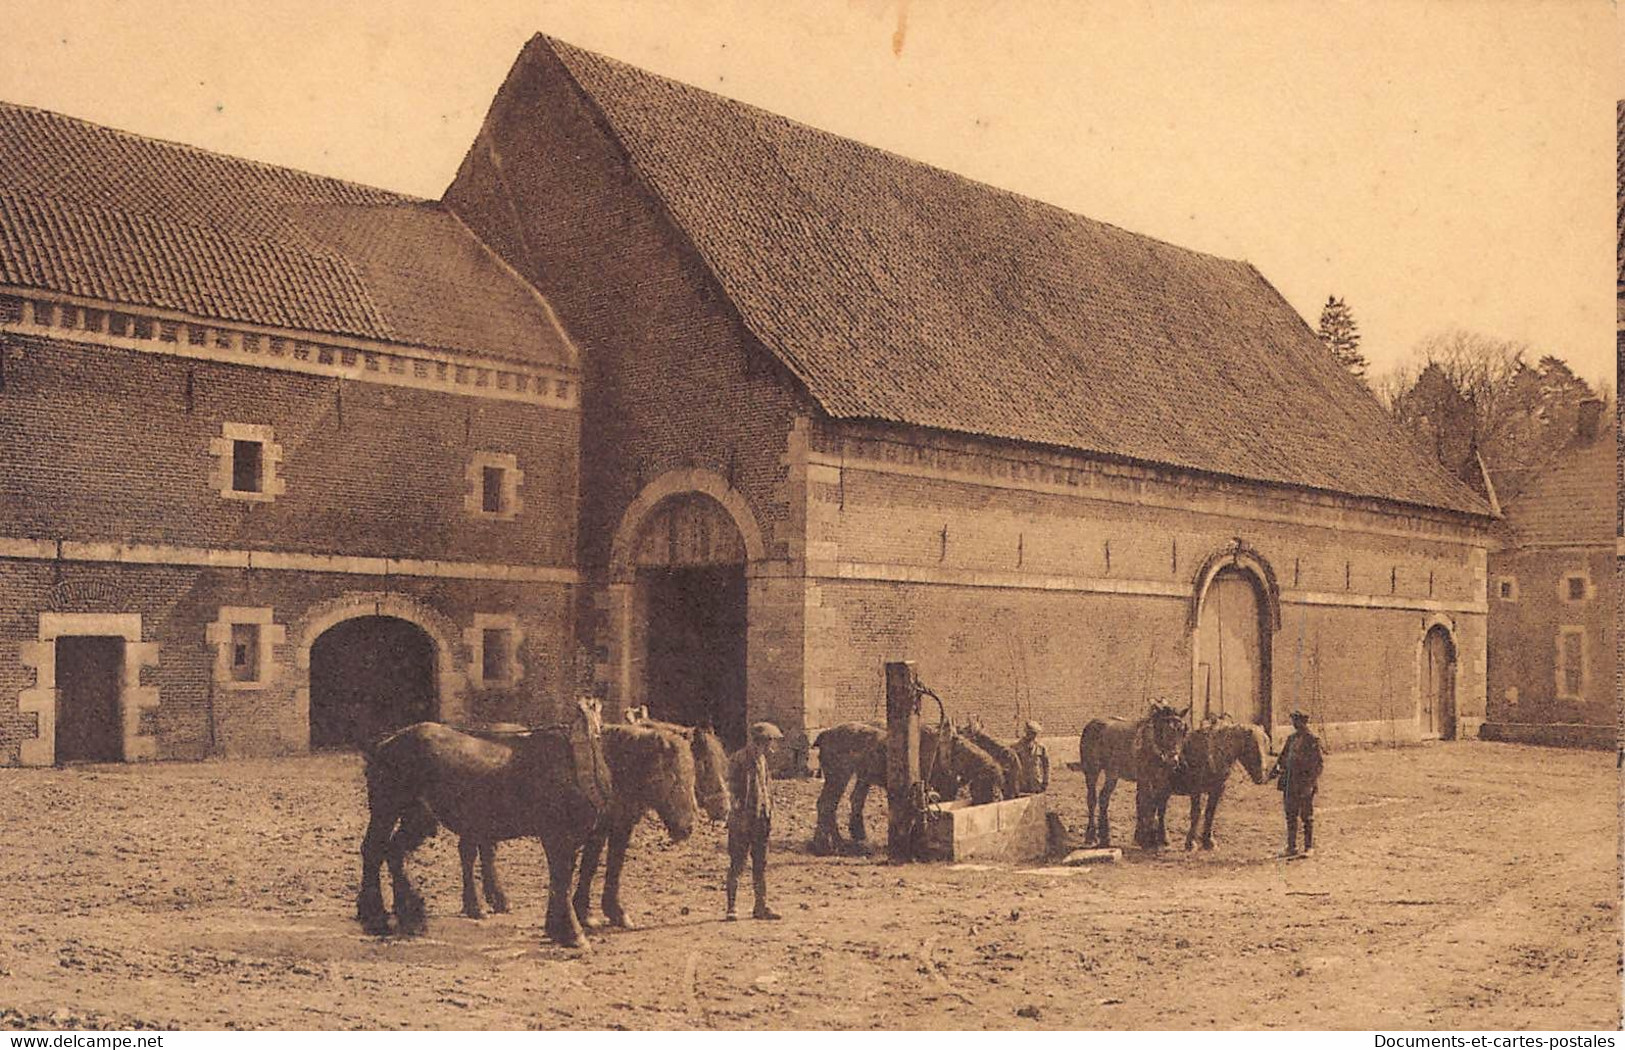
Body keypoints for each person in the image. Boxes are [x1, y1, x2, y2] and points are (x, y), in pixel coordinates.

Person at [725, 721, 783, 921]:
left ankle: (761, 906)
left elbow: (766, 789)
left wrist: (769, 813)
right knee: (737, 864)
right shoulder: (739, 760)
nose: (771, 747)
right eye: (769, 742)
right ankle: (731, 908)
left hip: (761, 819)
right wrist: (737, 811)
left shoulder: (763, 760)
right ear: (760, 742)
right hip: (742, 821)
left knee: (761, 864)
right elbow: (730, 789)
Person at [1266, 709, 1325, 856]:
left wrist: (1310, 784)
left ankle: (1308, 847)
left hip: (1304, 783)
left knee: (1307, 816)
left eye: (1296, 721)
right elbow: (1282, 759)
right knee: (1290, 815)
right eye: (1293, 721)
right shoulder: (1291, 739)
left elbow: (1318, 765)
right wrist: (1271, 775)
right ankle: (1291, 847)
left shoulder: (1312, 740)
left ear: (1303, 722)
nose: (1294, 724)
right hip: (1290, 782)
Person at [1012, 720, 1050, 795]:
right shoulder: (1016, 748)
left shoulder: (1041, 748)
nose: (1033, 736)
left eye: (1035, 734)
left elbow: (1046, 766)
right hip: (1022, 784)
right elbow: (1013, 767)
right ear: (1026, 733)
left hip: (1036, 783)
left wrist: (1046, 781)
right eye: (1031, 733)